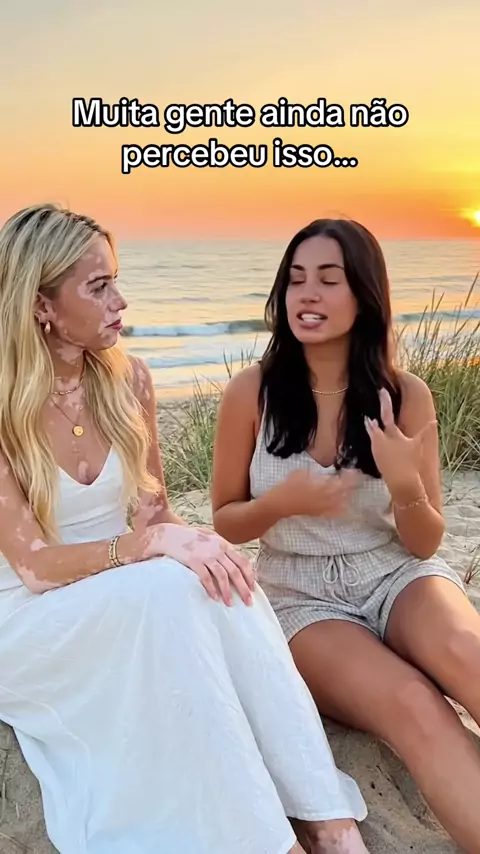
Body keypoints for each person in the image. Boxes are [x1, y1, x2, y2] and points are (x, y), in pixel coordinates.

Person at [0, 203, 370, 854]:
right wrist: (152, 545)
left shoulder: (130, 382)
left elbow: (153, 514)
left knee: (226, 579)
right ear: (41, 305)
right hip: (28, 616)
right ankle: (264, 840)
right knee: (171, 585)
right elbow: (33, 565)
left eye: (116, 280)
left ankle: (327, 819)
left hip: (117, 588)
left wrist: (195, 541)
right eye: (98, 286)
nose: (120, 301)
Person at [211, 217, 480, 853]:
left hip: (398, 573)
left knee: (469, 656)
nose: (307, 294)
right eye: (296, 279)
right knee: (414, 705)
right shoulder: (251, 393)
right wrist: (281, 503)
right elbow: (224, 516)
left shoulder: (405, 395)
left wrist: (405, 482)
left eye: (329, 280)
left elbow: (424, 542)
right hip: (302, 598)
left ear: (364, 292)